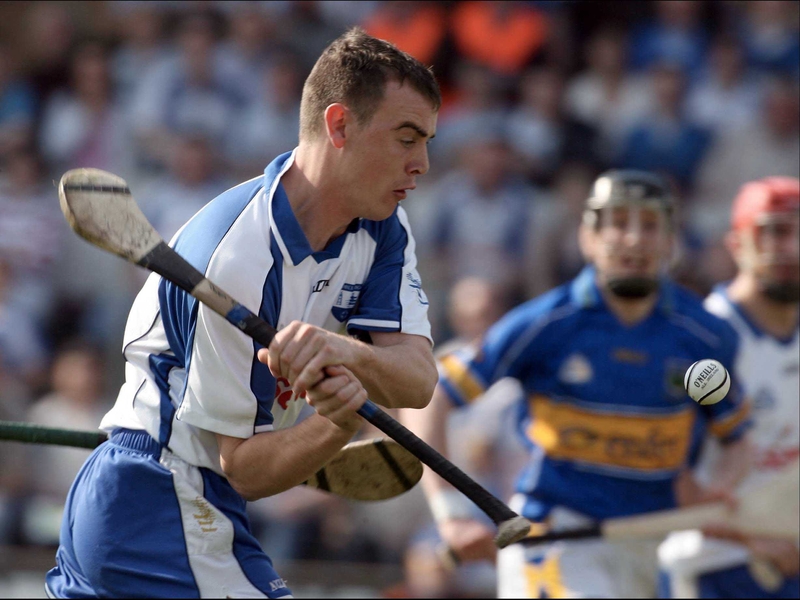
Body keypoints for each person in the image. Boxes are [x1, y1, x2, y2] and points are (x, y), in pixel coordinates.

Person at [45, 28, 440, 598]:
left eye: (426, 141)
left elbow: (417, 381)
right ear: (339, 126)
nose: (422, 163)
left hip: (187, 504)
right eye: (406, 139)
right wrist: (337, 422)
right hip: (154, 500)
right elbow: (246, 469)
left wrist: (342, 353)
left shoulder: (381, 226)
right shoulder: (236, 259)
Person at [402, 169, 753, 598]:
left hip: (656, 545)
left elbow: (735, 436)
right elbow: (432, 396)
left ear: (671, 240)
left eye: (649, 225)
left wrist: (717, 490)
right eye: (618, 223)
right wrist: (452, 512)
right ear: (588, 237)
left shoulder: (704, 337)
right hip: (558, 539)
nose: (633, 239)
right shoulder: (546, 324)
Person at [658, 177, 799, 599]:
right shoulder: (704, 343)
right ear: (736, 243)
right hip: (713, 566)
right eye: (773, 232)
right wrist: (751, 537)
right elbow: (663, 463)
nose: (791, 248)